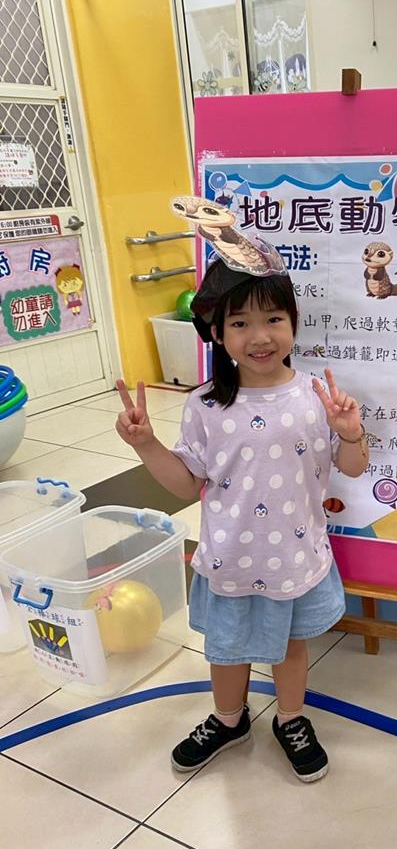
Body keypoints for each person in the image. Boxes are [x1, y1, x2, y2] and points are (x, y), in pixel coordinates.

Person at [115, 240, 368, 781]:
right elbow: (187, 485)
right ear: (217, 333)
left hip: (295, 558)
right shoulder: (205, 404)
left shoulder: (315, 396)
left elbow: (353, 467)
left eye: (273, 318)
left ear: (293, 322)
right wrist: (147, 445)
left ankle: (291, 717)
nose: (260, 336)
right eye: (240, 323)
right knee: (226, 651)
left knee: (291, 647)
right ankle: (229, 719)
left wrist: (351, 434)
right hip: (230, 558)